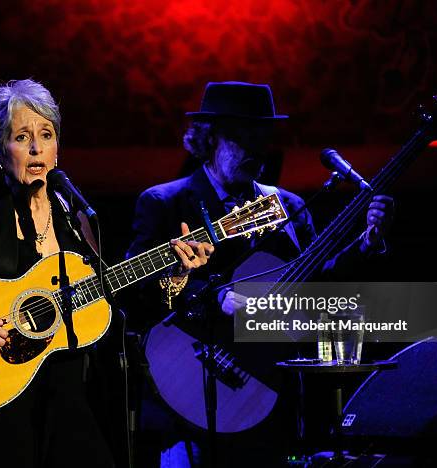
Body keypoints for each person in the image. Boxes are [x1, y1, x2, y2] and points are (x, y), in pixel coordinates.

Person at [0, 79, 212, 467]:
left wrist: (170, 278)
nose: (36, 148)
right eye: (22, 136)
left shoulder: (78, 219)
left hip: (73, 401)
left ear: (57, 149)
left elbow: (115, 309)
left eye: (46, 135)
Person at [125, 81, 394, 467]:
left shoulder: (287, 205)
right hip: (190, 391)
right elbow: (136, 290)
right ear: (210, 139)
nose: (254, 148)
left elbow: (316, 286)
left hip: (267, 392)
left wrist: (366, 244)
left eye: (261, 136)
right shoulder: (165, 202)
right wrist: (214, 296)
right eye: (241, 136)